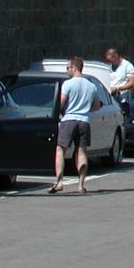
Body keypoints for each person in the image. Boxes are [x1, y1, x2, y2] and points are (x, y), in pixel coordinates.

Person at [51, 56, 101, 194]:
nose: (67, 70)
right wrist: (84, 108)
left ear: (74, 68)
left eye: (68, 67)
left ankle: (59, 182)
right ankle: (81, 185)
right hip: (84, 120)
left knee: (61, 150)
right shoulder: (91, 86)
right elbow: (96, 106)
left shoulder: (68, 84)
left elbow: (61, 102)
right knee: (81, 151)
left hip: (69, 119)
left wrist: (59, 112)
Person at [105, 48, 134, 114]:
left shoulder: (127, 66)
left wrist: (117, 89)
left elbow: (132, 83)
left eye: (111, 60)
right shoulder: (108, 66)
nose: (110, 63)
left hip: (121, 102)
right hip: (109, 101)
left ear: (116, 56)